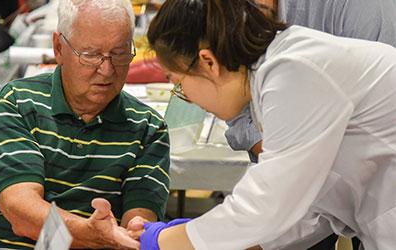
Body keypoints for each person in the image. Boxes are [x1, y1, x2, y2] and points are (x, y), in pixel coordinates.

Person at [131, 0, 396, 249]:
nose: (187, 98)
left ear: (208, 62)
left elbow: (269, 204)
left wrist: (162, 241)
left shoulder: (293, 70)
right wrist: (199, 235)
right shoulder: (270, 80)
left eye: (178, 83)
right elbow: (311, 209)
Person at [0, 0, 170, 249]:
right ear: (59, 48)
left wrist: (136, 230)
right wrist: (90, 233)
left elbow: (140, 218)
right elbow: (22, 214)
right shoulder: (16, 102)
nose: (107, 69)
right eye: (91, 55)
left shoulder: (148, 126)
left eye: (120, 53)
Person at [226, 0, 396, 163]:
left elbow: (379, 122)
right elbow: (231, 99)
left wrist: (289, 163)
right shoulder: (223, 13)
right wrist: (277, 157)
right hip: (291, 169)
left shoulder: (362, 7)